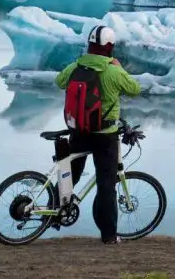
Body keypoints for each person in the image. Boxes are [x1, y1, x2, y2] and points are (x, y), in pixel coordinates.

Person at [55, 24, 142, 245]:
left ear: (90, 46)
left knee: (70, 173)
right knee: (106, 185)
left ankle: (54, 214)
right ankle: (109, 235)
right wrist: (118, 67)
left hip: (79, 131)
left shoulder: (77, 66)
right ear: (109, 47)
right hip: (105, 135)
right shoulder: (113, 70)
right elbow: (134, 89)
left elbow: (59, 82)